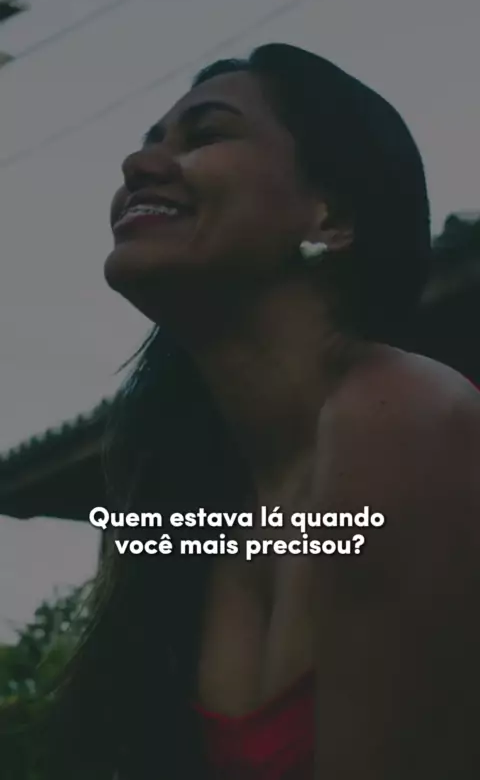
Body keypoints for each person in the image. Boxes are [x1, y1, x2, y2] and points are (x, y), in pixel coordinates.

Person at [45, 44, 480, 779]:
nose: (139, 164)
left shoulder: (404, 418)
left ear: (331, 216)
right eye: (151, 140)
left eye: (207, 134)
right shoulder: (184, 502)